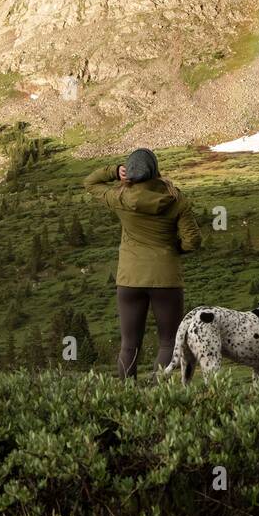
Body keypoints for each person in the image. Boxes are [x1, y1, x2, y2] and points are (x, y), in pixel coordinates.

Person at [84, 148, 201, 377]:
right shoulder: (175, 198)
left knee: (129, 345)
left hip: (130, 280)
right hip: (166, 279)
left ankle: (128, 395)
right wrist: (173, 250)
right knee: (168, 342)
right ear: (155, 169)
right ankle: (158, 393)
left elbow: (90, 183)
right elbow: (193, 241)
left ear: (130, 174)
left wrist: (113, 171)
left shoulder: (120, 198)